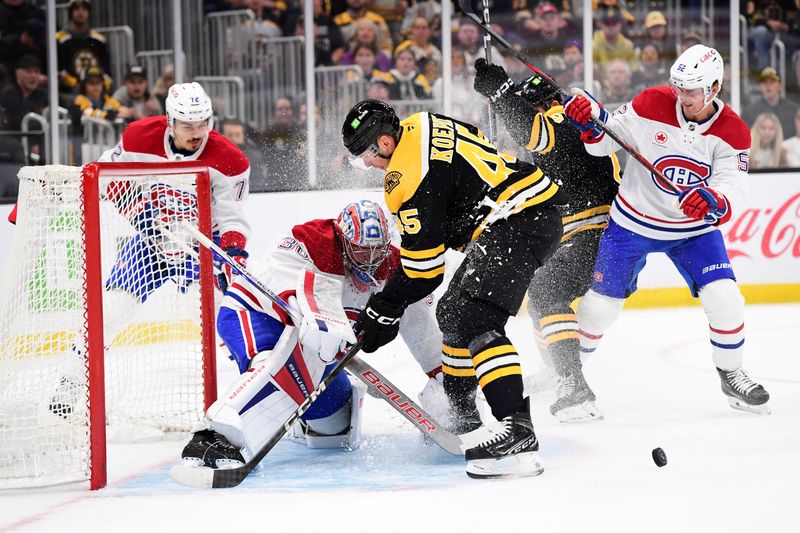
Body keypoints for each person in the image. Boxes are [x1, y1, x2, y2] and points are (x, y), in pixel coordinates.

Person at [341, 99, 568, 478]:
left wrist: (384, 307)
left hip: (519, 219)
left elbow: (424, 270)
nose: (368, 164)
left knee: (476, 317)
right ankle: (463, 416)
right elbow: (468, 158)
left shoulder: (406, 176)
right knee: (451, 312)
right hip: (522, 211)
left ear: (383, 142)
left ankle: (517, 430)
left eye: (366, 155)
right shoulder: (420, 122)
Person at [563, 44, 771, 414]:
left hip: (692, 231)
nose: (681, 96)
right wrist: (591, 121)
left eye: (691, 90)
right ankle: (568, 373)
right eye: (678, 87)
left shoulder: (734, 132)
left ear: (714, 89)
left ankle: (732, 373)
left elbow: (732, 189)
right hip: (631, 223)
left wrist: (712, 201)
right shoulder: (650, 102)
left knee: (725, 299)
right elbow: (605, 142)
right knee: (599, 309)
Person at [176, 200, 447, 468]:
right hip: (256, 314)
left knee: (334, 427)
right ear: (343, 240)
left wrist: (443, 376)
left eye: (377, 252)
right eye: (361, 252)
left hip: (315, 342)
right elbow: (307, 303)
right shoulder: (310, 242)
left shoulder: (396, 267)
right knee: (276, 364)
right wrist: (326, 326)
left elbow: (422, 328)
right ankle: (214, 435)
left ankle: (298, 419)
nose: (370, 261)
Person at [473, 58, 620, 423]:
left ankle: (574, 386)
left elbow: (532, 131)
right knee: (540, 293)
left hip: (598, 233)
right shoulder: (571, 135)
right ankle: (559, 372)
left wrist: (502, 94)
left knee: (546, 289)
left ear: (542, 104)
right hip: (600, 236)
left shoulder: (564, 118)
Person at [98, 82, 251, 302]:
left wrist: (233, 254)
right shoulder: (139, 137)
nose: (196, 133)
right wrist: (137, 211)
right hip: (153, 237)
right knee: (117, 302)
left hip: (203, 240)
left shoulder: (230, 160)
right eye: (187, 126)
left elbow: (232, 218)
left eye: (202, 124)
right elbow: (105, 175)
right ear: (170, 121)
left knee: (202, 304)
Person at [56, 0, 113, 95]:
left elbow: (107, 71)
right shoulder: (60, 40)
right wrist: (75, 84)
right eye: (77, 8)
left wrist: (101, 85)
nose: (81, 12)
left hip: (96, 92)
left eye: (84, 9)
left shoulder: (99, 40)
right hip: (69, 93)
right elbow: (59, 70)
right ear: (71, 13)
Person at [742, 67, 800, 139]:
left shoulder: (794, 110)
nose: (768, 85)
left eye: (772, 81)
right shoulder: (749, 112)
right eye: (764, 82)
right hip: (759, 150)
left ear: (780, 86)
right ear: (760, 86)